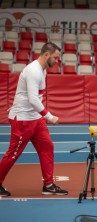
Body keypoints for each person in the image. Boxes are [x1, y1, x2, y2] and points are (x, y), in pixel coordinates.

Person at [0, 42, 68, 196]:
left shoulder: (42, 70)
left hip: (35, 118)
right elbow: (33, 99)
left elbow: (30, 94)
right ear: (46, 55)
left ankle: (48, 184)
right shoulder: (33, 71)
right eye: (55, 58)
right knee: (13, 154)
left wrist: (18, 102)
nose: (57, 61)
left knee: (47, 147)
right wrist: (50, 117)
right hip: (23, 120)